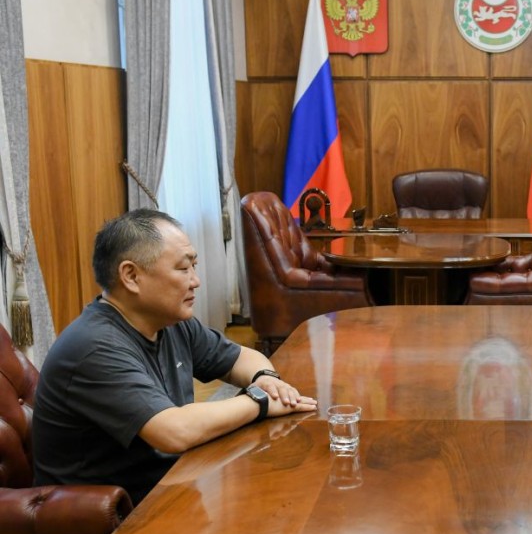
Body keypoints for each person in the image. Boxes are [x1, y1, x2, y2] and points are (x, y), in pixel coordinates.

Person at [32, 209, 318, 504]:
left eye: (194, 266)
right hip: (110, 520)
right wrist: (258, 401)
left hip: (171, 486)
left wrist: (266, 379)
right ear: (131, 276)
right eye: (183, 269)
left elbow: (240, 358)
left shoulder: (170, 321)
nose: (196, 281)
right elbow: (174, 431)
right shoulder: (94, 347)